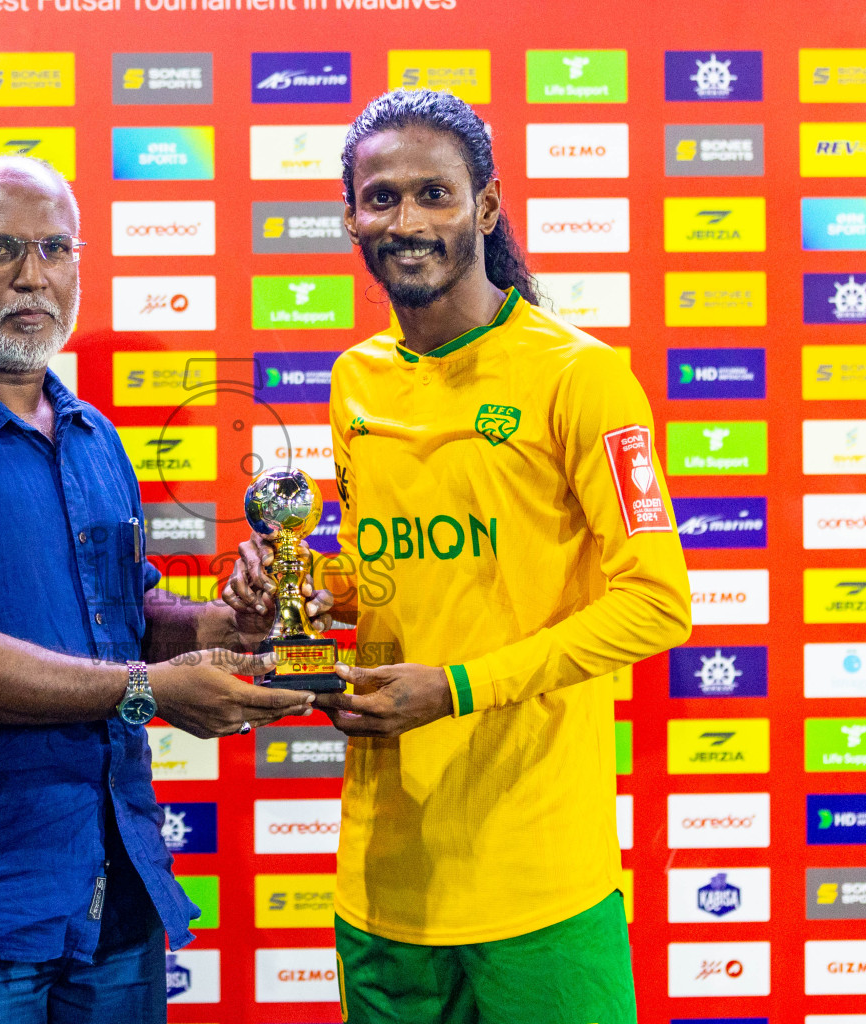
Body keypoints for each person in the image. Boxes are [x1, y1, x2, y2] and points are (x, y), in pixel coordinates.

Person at [0, 155, 328, 1024]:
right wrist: (148, 691)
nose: (32, 275)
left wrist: (234, 624)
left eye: (55, 248)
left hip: (114, 893)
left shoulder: (96, 438)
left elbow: (127, 618)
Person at [226, 90, 692, 1024]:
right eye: (382, 198)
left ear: (485, 207)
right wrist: (293, 584)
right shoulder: (354, 381)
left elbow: (657, 603)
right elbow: (389, 569)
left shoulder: (581, 376)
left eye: (435, 194)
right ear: (350, 214)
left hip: (540, 884)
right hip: (384, 880)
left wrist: (459, 688)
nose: (407, 222)